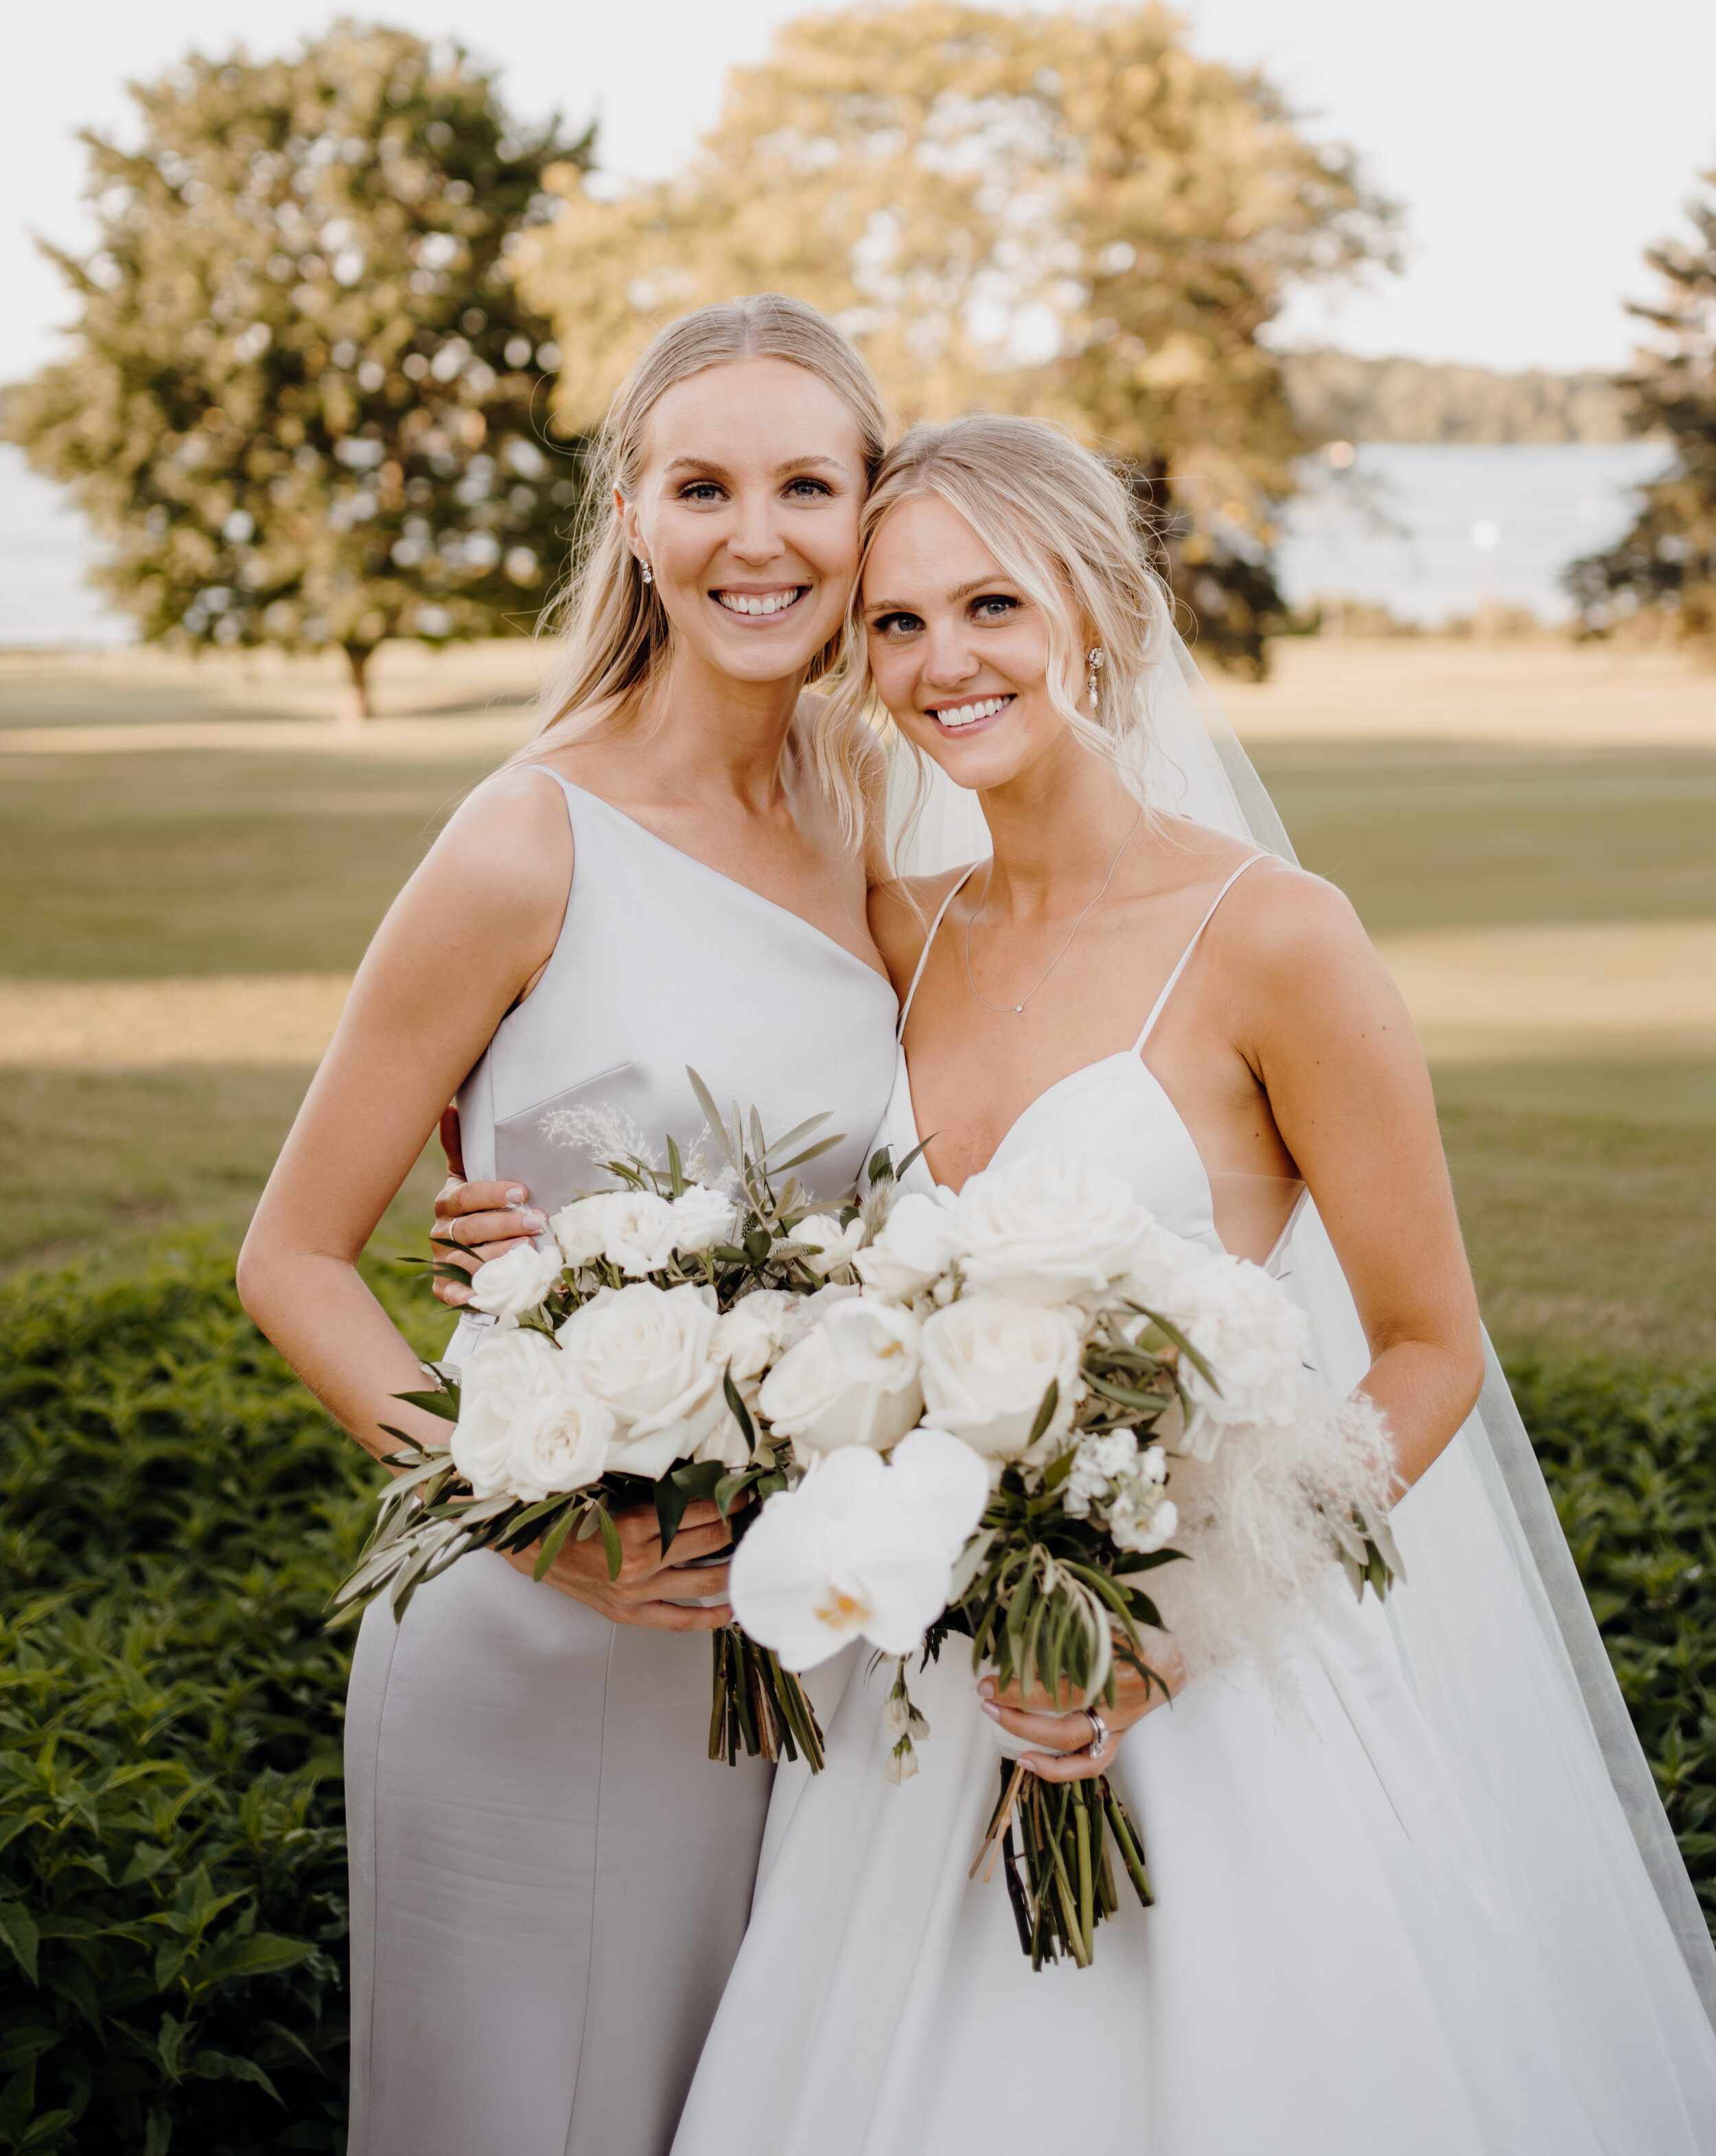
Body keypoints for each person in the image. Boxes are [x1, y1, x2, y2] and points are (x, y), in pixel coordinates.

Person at [661, 415, 1716, 2155]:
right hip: (922, 1710)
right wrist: (514, 1189)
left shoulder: (1277, 937)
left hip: (1197, 1694)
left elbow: (1429, 1347)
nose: (940, 664)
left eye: (990, 604)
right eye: (897, 626)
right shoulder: (894, 928)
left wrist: (1161, 1638)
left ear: (1104, 619)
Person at [236, 296, 901, 2156]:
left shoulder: (883, 810)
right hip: (549, 1625)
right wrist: (531, 1526)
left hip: (813, 1634)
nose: (751, 537)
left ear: (872, 512)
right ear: (630, 509)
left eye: (803, 485)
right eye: (701, 484)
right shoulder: (531, 835)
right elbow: (289, 1256)